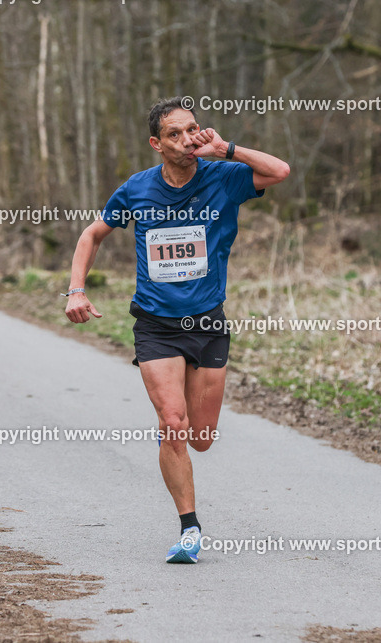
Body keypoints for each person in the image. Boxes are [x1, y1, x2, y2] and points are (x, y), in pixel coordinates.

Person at [64, 97, 290, 563]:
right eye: (175, 133)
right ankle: (189, 528)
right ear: (157, 144)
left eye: (193, 129)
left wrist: (228, 149)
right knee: (173, 424)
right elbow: (92, 235)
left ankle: (190, 447)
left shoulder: (223, 177)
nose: (188, 139)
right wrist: (76, 290)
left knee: (201, 438)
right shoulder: (136, 189)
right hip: (156, 325)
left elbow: (279, 171)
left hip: (207, 322)